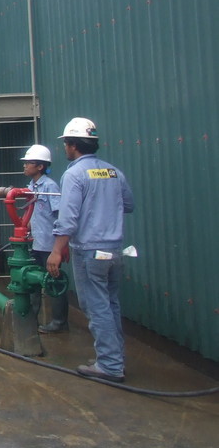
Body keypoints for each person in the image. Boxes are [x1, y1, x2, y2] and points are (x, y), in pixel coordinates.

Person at [46, 118, 134, 383]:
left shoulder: (74, 174)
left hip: (89, 251)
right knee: (111, 305)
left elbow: (68, 218)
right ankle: (114, 360)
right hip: (114, 251)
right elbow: (127, 204)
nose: (64, 149)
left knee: (96, 308)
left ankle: (109, 364)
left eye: (66, 144)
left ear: (73, 145)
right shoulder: (113, 172)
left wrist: (56, 251)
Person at [19, 144, 68, 334]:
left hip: (49, 244)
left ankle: (59, 323)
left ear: (40, 166)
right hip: (37, 242)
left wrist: (61, 246)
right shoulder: (32, 186)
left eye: (28, 163)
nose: (25, 166)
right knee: (34, 281)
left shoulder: (49, 186)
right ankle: (32, 317)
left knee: (53, 282)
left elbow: (59, 215)